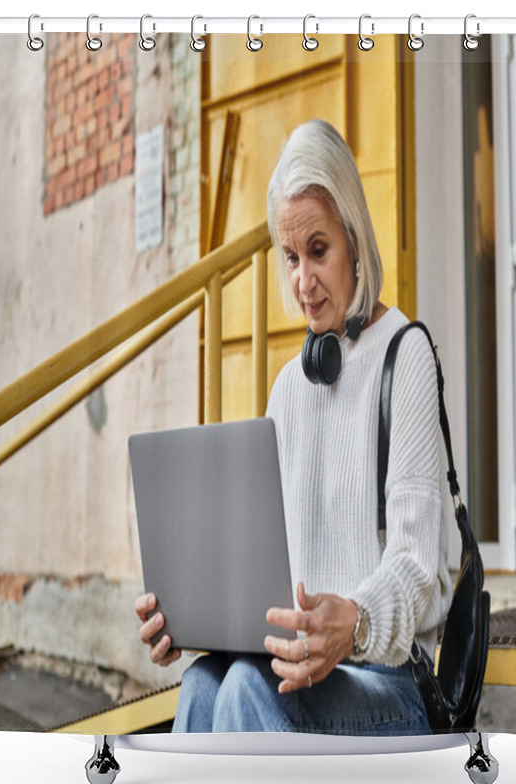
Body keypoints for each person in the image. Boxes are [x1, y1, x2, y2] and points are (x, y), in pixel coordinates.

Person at [135, 119, 452, 735]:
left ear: (354, 240)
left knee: (252, 692)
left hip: (394, 683)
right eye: (290, 256)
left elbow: (417, 566)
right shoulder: (287, 389)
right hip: (300, 670)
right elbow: (266, 572)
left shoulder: (405, 355)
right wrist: (193, 621)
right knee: (204, 681)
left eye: (318, 250)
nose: (303, 281)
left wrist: (354, 620)